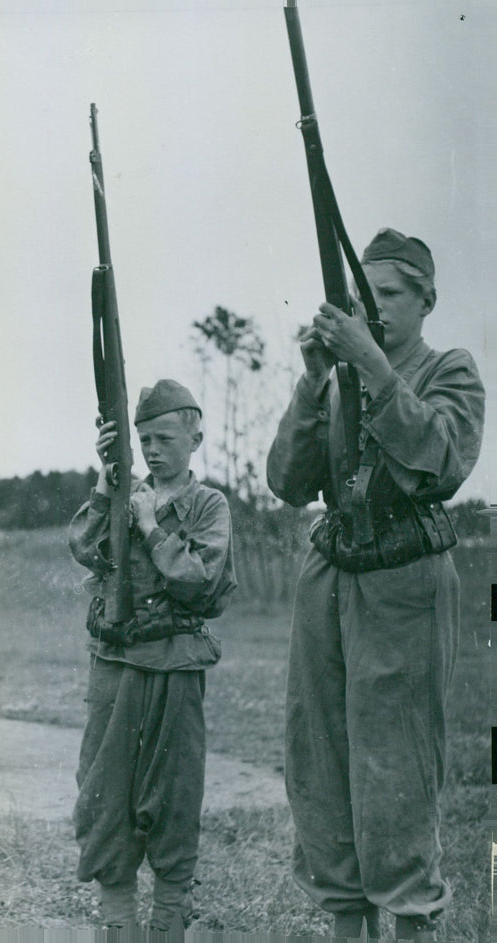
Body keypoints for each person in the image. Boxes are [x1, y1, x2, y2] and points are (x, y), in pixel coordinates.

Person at [266, 229, 485, 942]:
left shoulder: (450, 368)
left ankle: (413, 922)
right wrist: (312, 382)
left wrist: (377, 374)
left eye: (389, 293)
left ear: (426, 300)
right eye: (365, 295)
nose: (375, 307)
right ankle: (347, 926)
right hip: (330, 578)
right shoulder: (335, 382)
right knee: (321, 758)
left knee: (397, 762)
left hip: (406, 581)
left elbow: (443, 462)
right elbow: (289, 483)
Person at [68, 379, 235, 931]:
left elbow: (198, 582)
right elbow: (83, 549)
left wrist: (148, 523)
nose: (153, 449)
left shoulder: (208, 504)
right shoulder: (122, 492)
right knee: (104, 788)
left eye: (165, 437)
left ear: (196, 437)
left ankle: (168, 915)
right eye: (144, 439)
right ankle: (118, 917)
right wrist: (104, 485)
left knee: (173, 793)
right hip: (115, 665)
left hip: (175, 665)